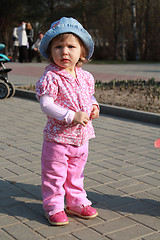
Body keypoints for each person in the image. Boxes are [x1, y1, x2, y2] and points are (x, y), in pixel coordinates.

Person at [36, 17, 99, 226]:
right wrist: (71, 116)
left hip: (82, 138)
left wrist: (94, 106)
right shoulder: (51, 77)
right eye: (58, 46)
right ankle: (53, 206)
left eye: (71, 46)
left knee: (76, 173)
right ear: (50, 51)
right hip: (58, 139)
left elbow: (89, 96)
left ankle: (76, 202)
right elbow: (46, 104)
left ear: (81, 52)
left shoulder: (86, 77)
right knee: (55, 175)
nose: (64, 51)